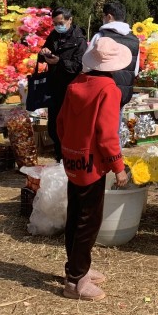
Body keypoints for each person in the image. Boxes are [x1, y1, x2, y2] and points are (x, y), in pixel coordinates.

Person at [56, 38, 131, 300]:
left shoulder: (75, 84)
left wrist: (68, 150)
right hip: (93, 166)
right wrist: (118, 167)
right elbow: (107, 135)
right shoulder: (108, 89)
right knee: (89, 221)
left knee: (75, 216)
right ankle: (75, 280)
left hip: (74, 161)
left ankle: (76, 267)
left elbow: (61, 123)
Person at [40, 8, 88, 161]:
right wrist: (44, 52)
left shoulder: (79, 40)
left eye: (60, 23)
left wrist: (59, 61)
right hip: (54, 85)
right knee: (53, 125)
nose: (57, 26)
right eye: (54, 23)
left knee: (68, 125)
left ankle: (68, 156)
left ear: (70, 20)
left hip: (70, 87)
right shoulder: (54, 35)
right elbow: (42, 55)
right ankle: (59, 154)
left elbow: (79, 66)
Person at [89, 2, 140, 106]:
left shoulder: (100, 36)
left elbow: (87, 64)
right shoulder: (135, 39)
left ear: (109, 16)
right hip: (124, 93)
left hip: (102, 89)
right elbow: (135, 70)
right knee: (117, 120)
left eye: (103, 16)